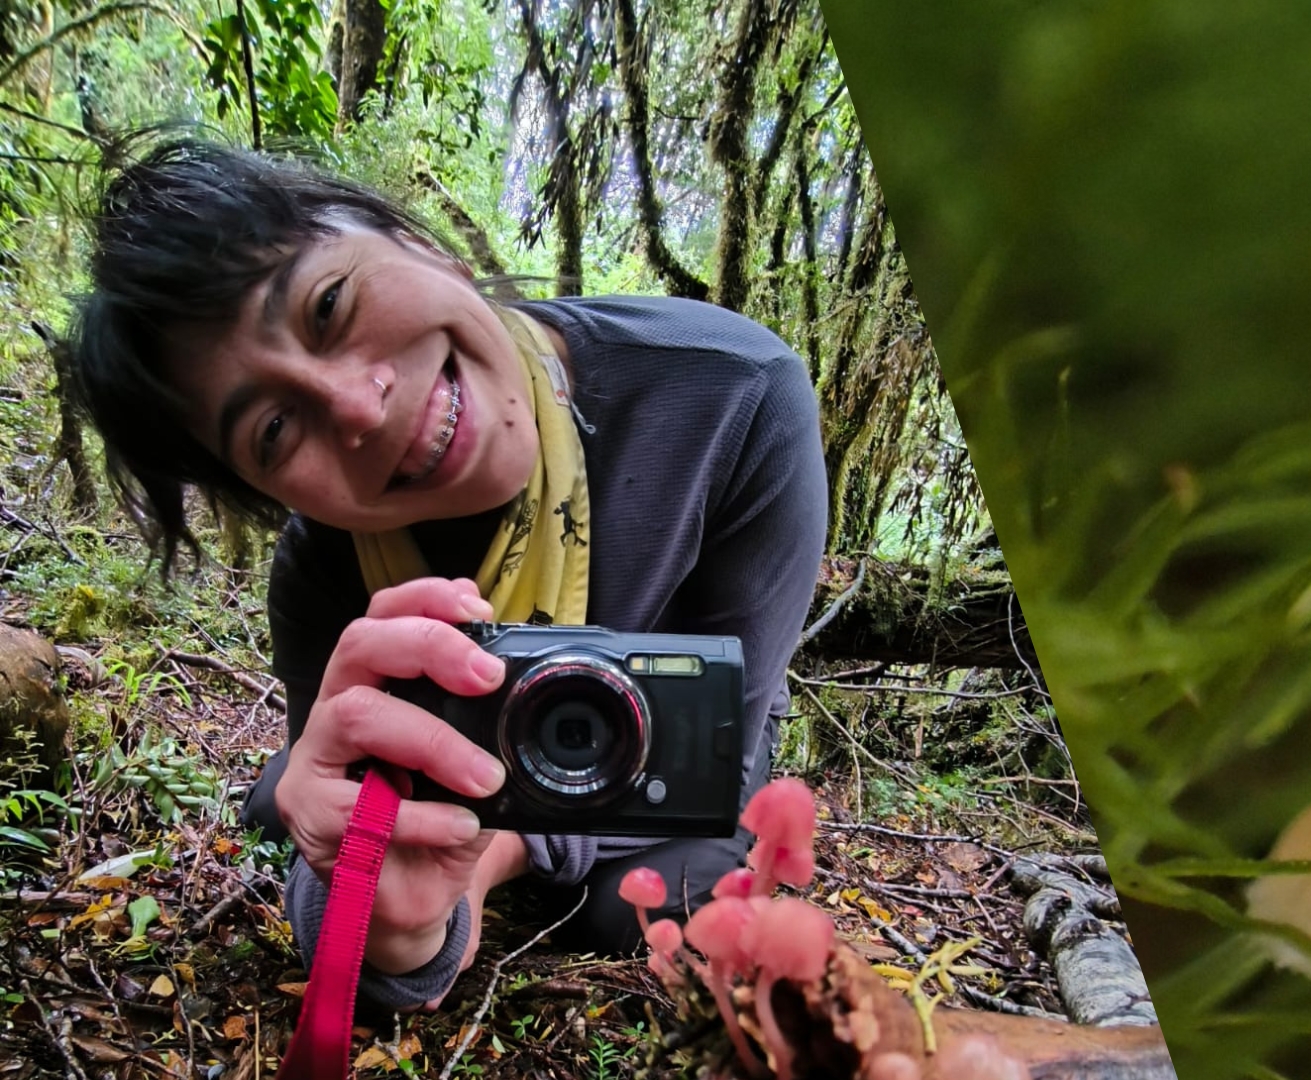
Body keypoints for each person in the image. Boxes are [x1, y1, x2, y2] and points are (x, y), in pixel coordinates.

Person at [67, 136, 829, 1010]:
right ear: (267, 491)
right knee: (284, 797)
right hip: (459, 792)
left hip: (675, 776)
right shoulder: (323, 564)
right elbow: (352, 859)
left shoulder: (736, 398)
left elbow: (719, 754)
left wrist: (489, 857)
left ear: (423, 244)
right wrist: (397, 914)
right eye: (275, 432)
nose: (358, 405)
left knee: (661, 908)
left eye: (328, 305)